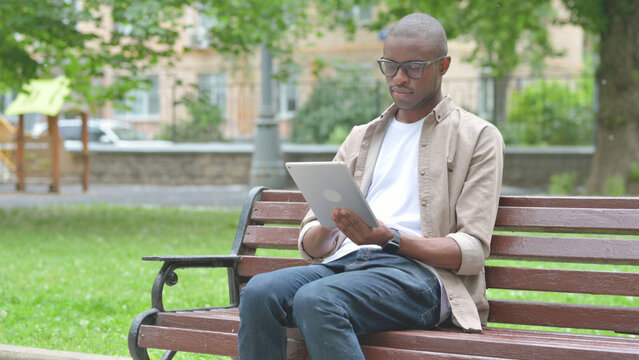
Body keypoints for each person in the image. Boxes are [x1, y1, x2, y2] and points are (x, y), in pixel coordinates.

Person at [238, 12, 504, 360]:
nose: (398, 78)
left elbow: (471, 250)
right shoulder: (362, 136)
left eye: (414, 67)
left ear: (443, 66)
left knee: (318, 300)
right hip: (347, 265)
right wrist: (330, 227)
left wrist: (389, 238)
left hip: (421, 278)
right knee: (259, 291)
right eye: (389, 66)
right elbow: (311, 241)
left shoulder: (478, 137)